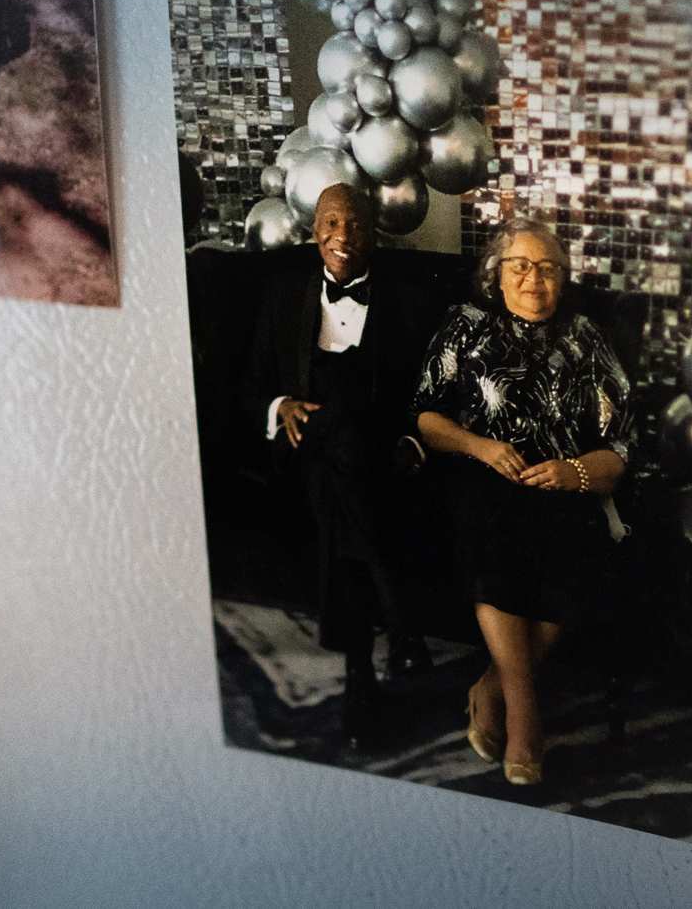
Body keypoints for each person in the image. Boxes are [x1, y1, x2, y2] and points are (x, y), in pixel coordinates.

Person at [415, 218, 635, 787]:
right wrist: (482, 447)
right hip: (482, 475)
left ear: (563, 279)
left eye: (547, 268)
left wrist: (576, 473)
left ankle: (490, 687)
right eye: (520, 265)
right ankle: (524, 716)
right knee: (495, 528)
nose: (533, 278)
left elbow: (621, 442)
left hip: (564, 482)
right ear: (497, 273)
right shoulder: (467, 325)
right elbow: (426, 414)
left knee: (572, 546)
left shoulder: (586, 336)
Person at [249, 184, 435, 746]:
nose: (343, 236)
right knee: (341, 436)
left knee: (342, 481)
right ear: (314, 232)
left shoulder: (406, 301)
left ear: (373, 234)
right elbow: (250, 385)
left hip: (372, 455)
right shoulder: (284, 295)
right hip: (303, 443)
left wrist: (412, 440)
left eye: (355, 225)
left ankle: (359, 678)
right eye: (331, 223)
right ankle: (402, 627)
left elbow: (427, 391)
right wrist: (281, 409)